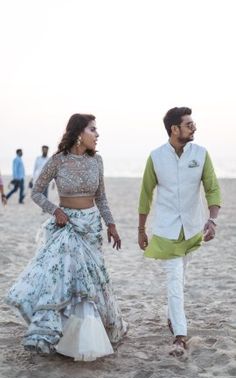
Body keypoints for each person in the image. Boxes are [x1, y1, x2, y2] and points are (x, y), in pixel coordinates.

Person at [6, 114, 127, 360]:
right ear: (79, 134)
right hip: (66, 226)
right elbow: (37, 192)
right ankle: (69, 338)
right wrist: (56, 210)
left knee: (91, 281)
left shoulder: (98, 161)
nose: (97, 134)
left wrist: (111, 224)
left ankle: (90, 333)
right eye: (93, 129)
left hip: (91, 226)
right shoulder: (58, 161)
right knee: (70, 279)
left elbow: (101, 197)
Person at [138, 107, 221, 356]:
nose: (194, 127)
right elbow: (145, 194)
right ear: (174, 129)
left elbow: (213, 189)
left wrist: (213, 220)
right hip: (166, 229)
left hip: (193, 228)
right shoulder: (156, 157)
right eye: (189, 124)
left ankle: (171, 317)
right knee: (175, 279)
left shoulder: (201, 154)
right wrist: (141, 229)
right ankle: (180, 336)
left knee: (180, 276)